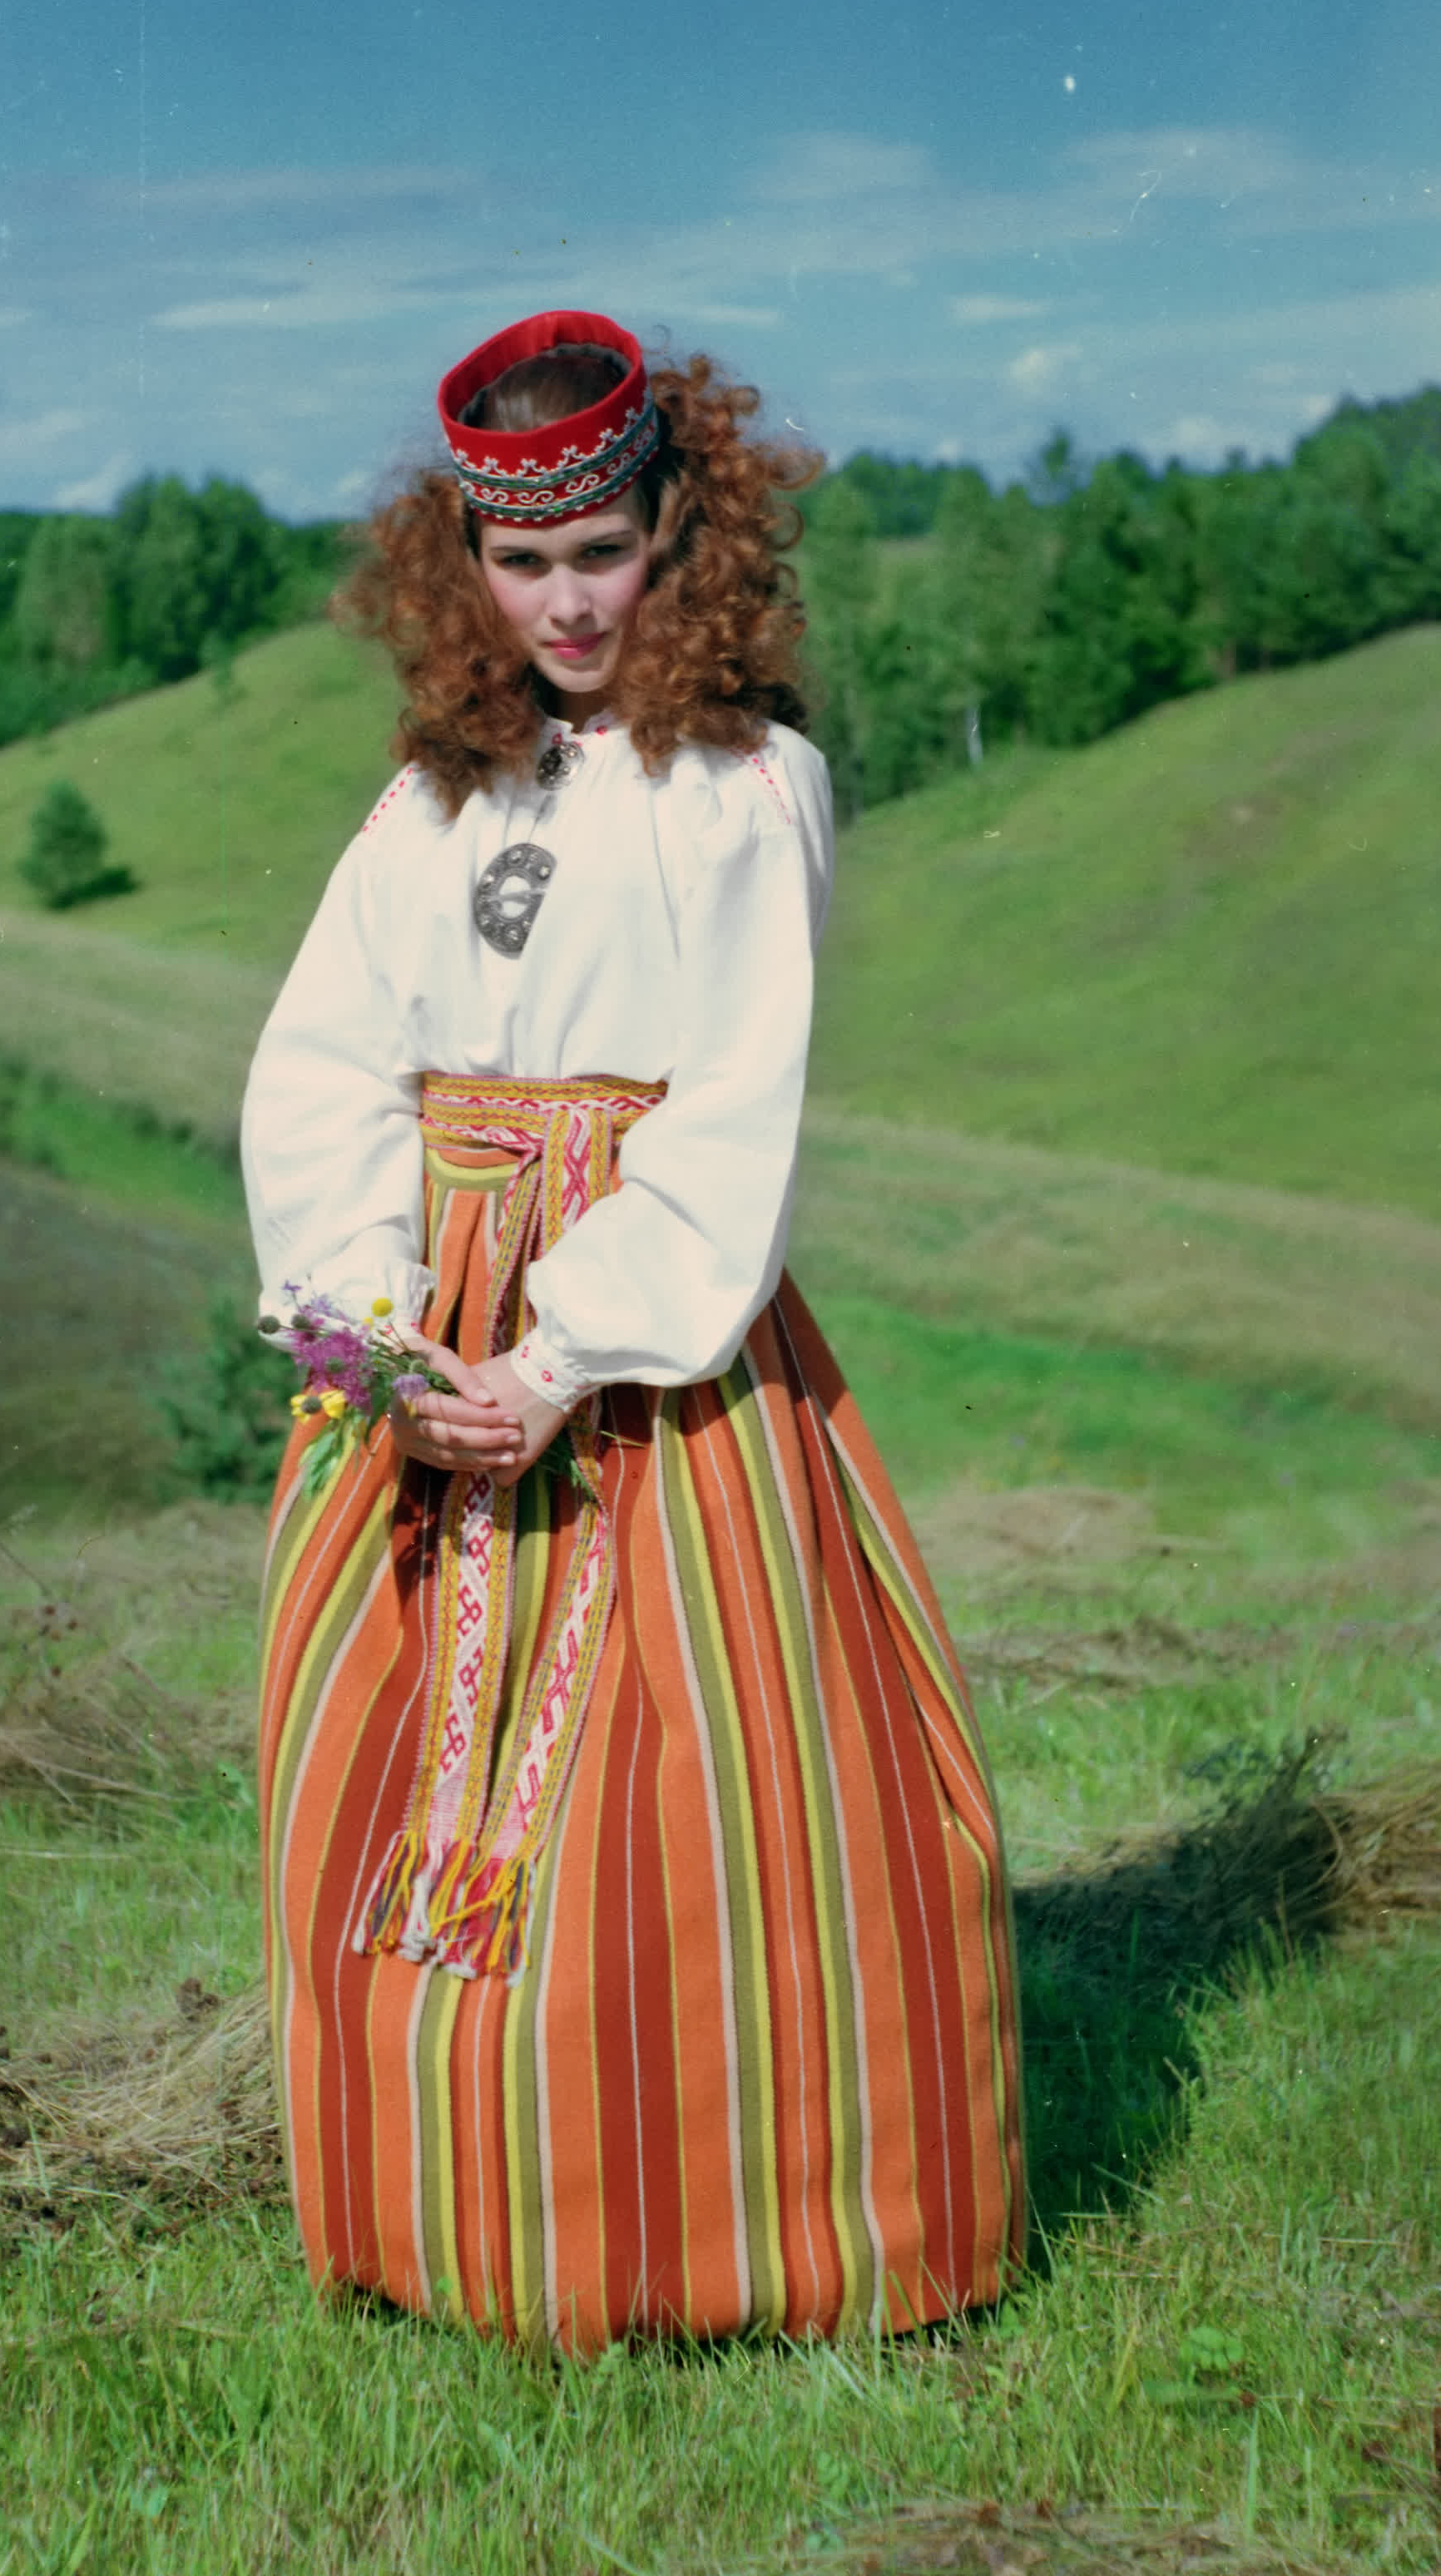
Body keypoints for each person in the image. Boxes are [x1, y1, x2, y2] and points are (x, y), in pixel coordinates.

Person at [241, 309, 1023, 2354]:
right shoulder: (430, 803)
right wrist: (378, 1350)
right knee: (403, 1764)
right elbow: (322, 1069)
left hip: (645, 1342)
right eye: (524, 562)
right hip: (428, 1325)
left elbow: (731, 1114)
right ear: (464, 569)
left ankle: (723, 2238)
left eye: (603, 549)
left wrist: (559, 1351)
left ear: (682, 531)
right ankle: (438, 2218)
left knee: (704, 1789)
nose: (568, 600)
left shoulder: (744, 789)